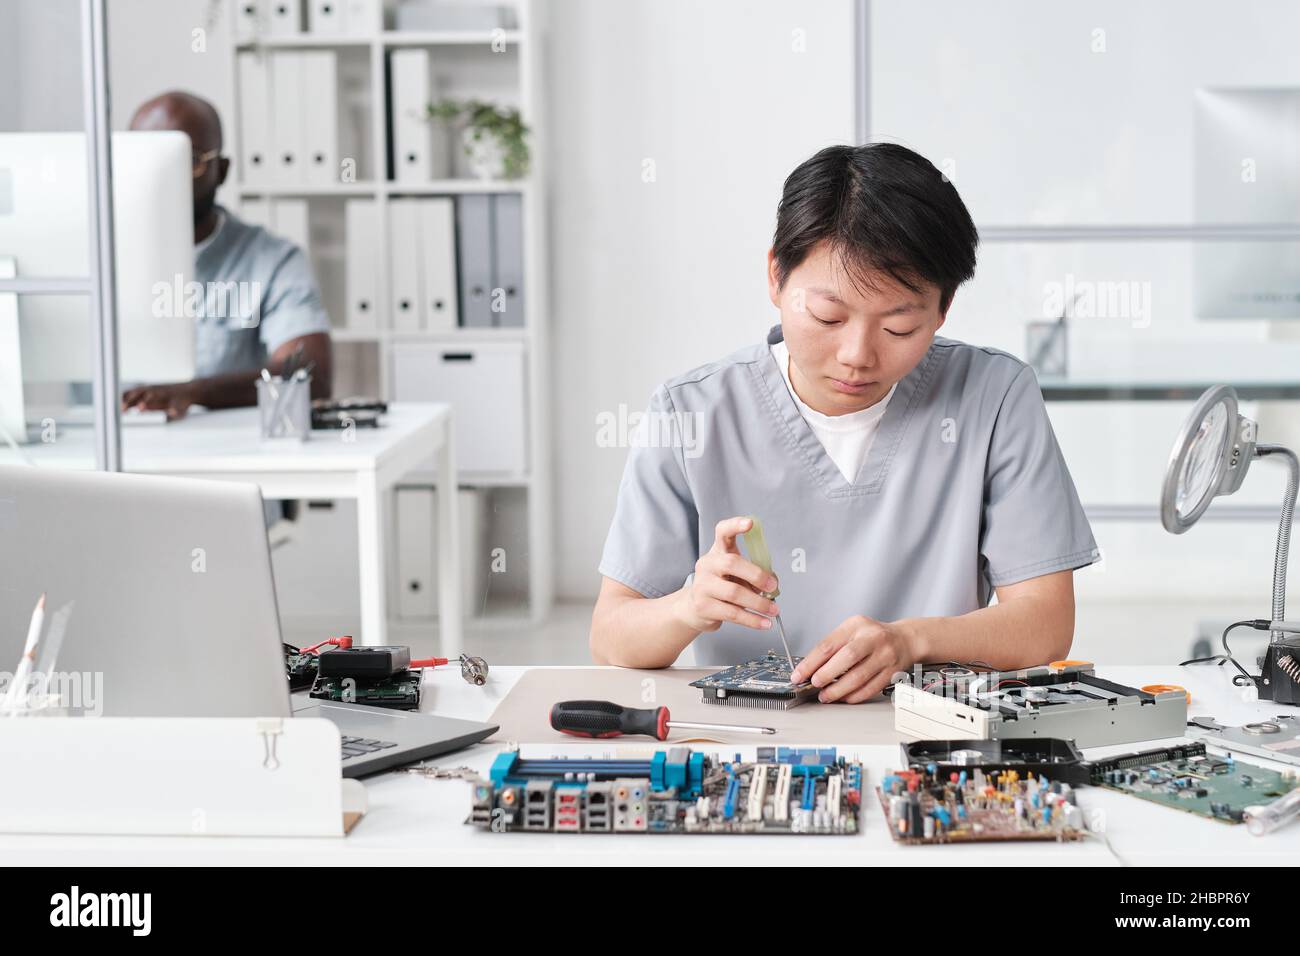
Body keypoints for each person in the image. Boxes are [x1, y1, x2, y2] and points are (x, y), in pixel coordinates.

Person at [590, 143, 1100, 704]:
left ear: (944, 308)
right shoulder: (690, 412)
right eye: (828, 316)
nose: (858, 354)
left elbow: (1046, 625)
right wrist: (689, 607)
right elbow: (612, 637)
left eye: (900, 327)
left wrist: (909, 642)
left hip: (934, 735)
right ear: (775, 278)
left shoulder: (995, 396)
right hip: (759, 735)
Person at [120, 91, 331, 419]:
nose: (163, 178)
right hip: (95, 461)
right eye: (148, 161)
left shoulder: (273, 260)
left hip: (222, 460)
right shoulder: (91, 256)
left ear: (221, 170)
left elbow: (309, 374)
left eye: (187, 161)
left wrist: (193, 392)